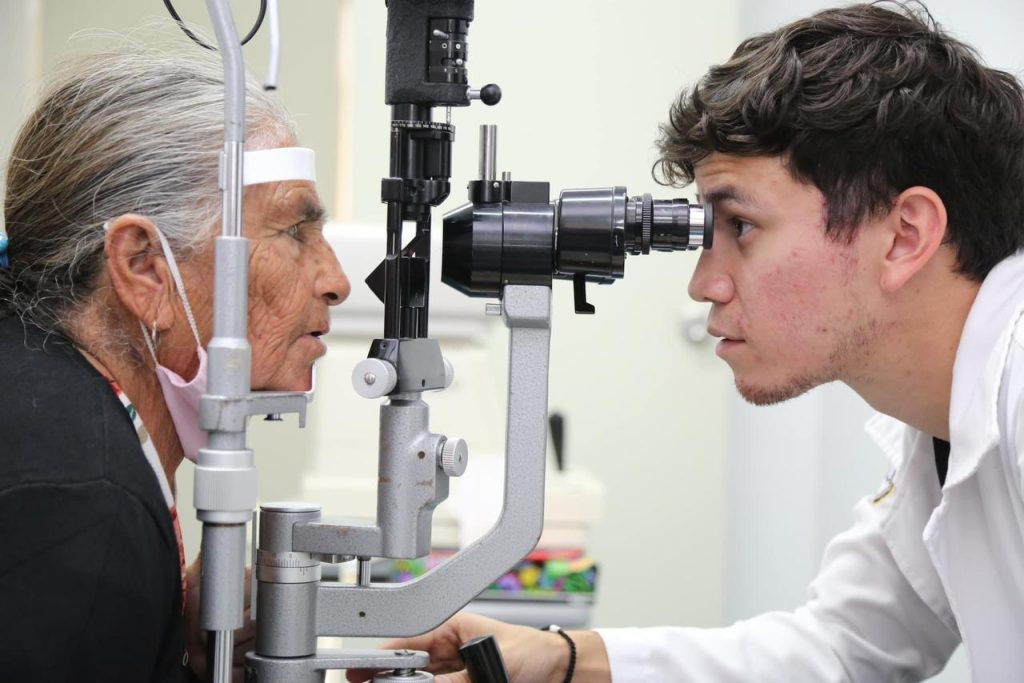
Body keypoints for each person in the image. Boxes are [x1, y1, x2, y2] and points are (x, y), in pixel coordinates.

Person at [348, 2, 1024, 682]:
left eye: (742, 227)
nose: (704, 285)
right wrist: (563, 658)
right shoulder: (940, 427)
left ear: (905, 236)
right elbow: (843, 649)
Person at [0, 48, 350, 682]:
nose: (336, 281)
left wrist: (171, 651)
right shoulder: (84, 509)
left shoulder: (40, 396)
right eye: (294, 232)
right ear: (144, 269)